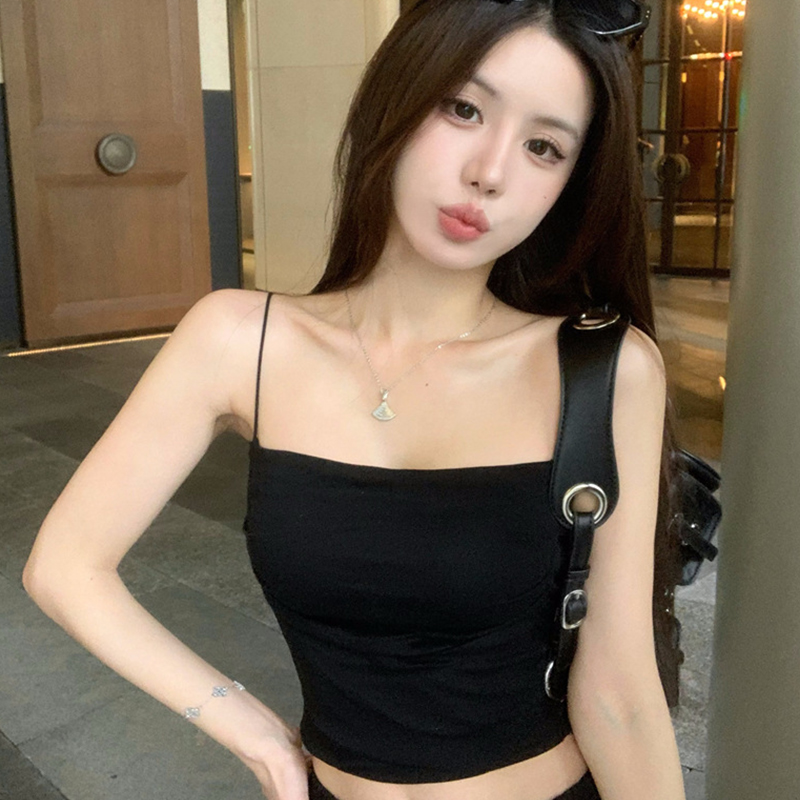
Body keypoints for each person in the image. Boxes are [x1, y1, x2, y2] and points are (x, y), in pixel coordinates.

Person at [22, 1, 687, 799]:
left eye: (543, 147)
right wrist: (252, 732)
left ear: (568, 186)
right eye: (463, 108)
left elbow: (618, 692)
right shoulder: (238, 341)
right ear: (397, 99)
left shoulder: (604, 370)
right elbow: (65, 567)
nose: (490, 171)